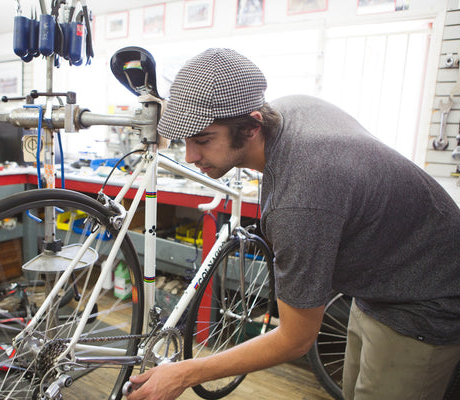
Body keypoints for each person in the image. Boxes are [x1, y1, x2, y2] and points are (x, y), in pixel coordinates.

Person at [125, 48, 460, 400]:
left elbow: (296, 339)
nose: (191, 156)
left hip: (427, 299)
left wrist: (184, 373)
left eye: (203, 140)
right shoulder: (290, 108)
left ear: (251, 125)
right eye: (185, 140)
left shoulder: (300, 197)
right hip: (381, 282)